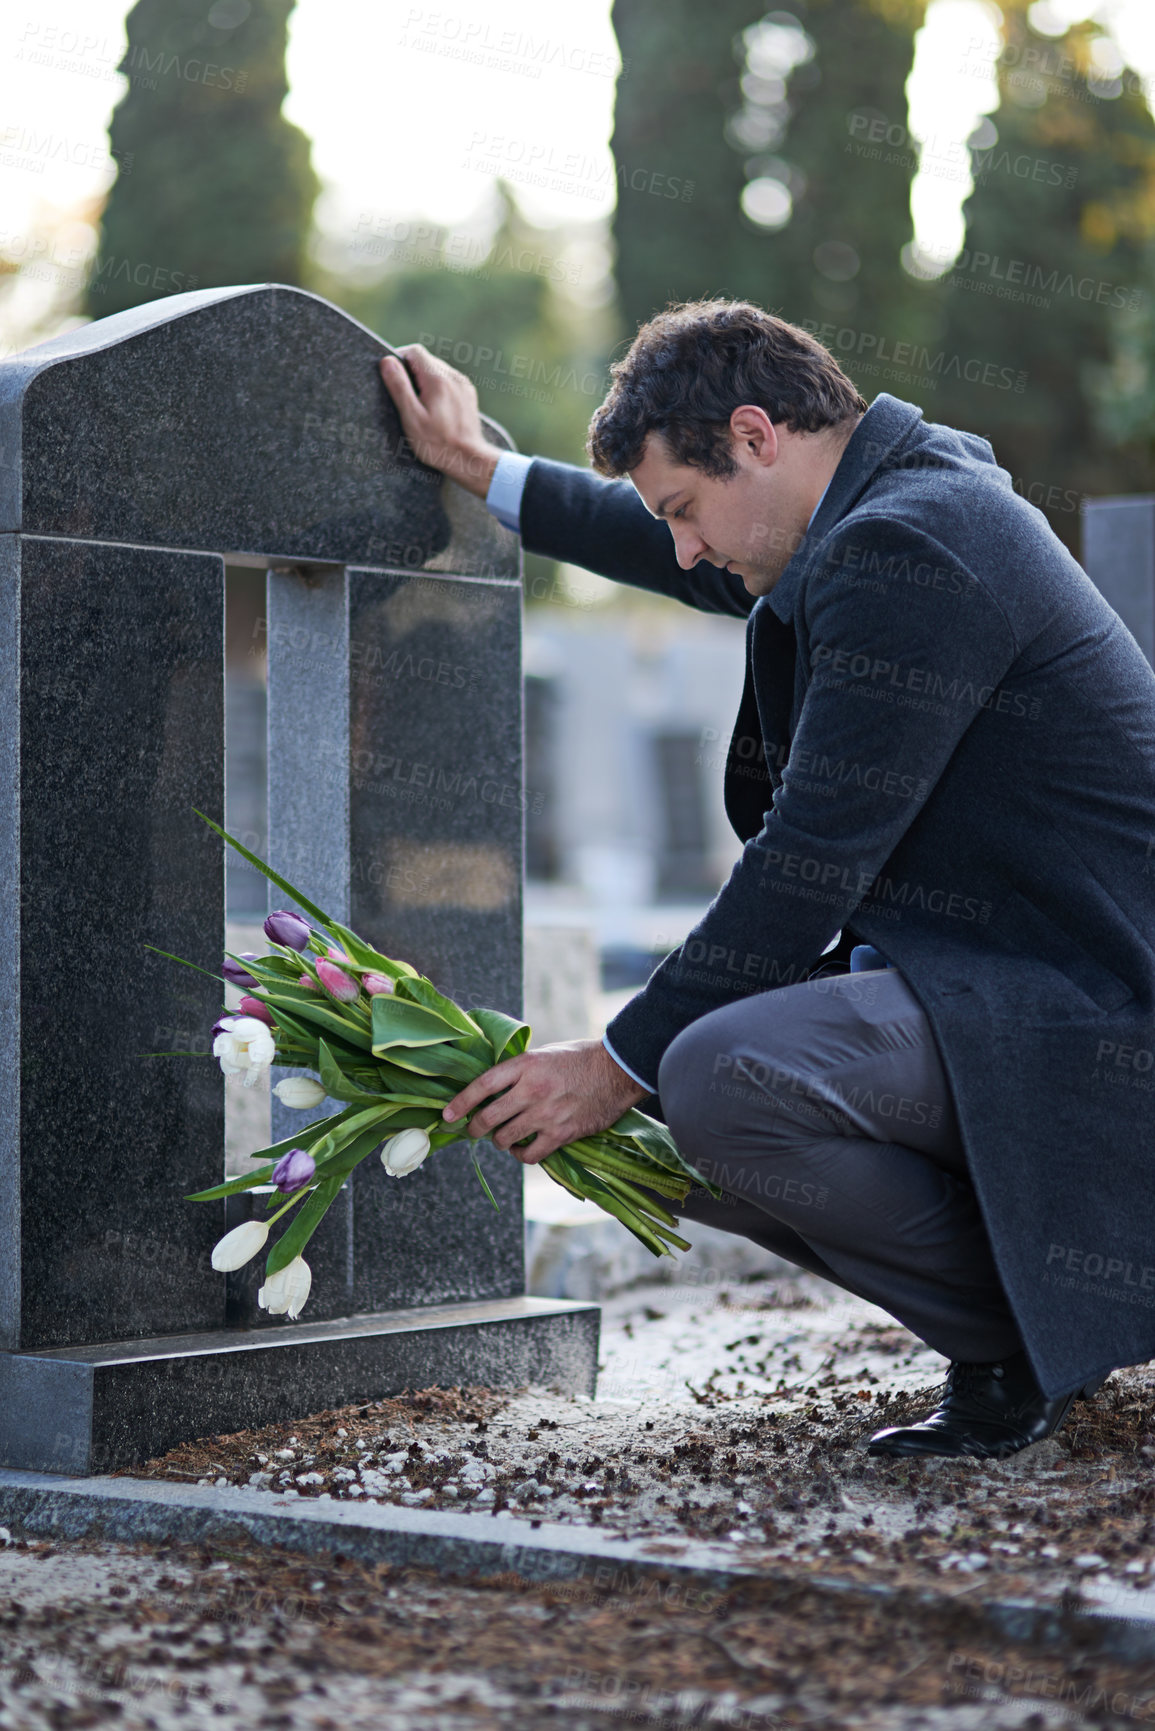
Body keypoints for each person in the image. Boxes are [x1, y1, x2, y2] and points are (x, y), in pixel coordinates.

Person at [379, 299, 1155, 1460]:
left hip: (1092, 1013)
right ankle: (1042, 1322)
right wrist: (479, 465)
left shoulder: (912, 548)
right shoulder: (873, 503)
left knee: (718, 1076)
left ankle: (1036, 1333)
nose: (687, 549)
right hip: (1009, 984)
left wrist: (612, 1062)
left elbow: (809, 863)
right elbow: (664, 543)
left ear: (754, 435)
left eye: (687, 510)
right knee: (677, 1104)